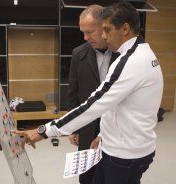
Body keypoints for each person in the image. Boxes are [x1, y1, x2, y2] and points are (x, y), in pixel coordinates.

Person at [12, 2, 163, 184]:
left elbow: (96, 103)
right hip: (114, 145)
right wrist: (103, 136)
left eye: (106, 30)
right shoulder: (141, 52)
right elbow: (114, 103)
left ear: (124, 29)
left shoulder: (131, 62)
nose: (105, 37)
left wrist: (44, 131)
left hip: (125, 154)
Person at [67, 4, 119, 184]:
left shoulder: (124, 54)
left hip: (117, 127)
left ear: (105, 27)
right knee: (87, 175)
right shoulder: (78, 54)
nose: (85, 37)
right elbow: (73, 92)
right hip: (88, 126)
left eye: (90, 32)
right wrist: (74, 126)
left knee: (112, 174)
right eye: (83, 32)